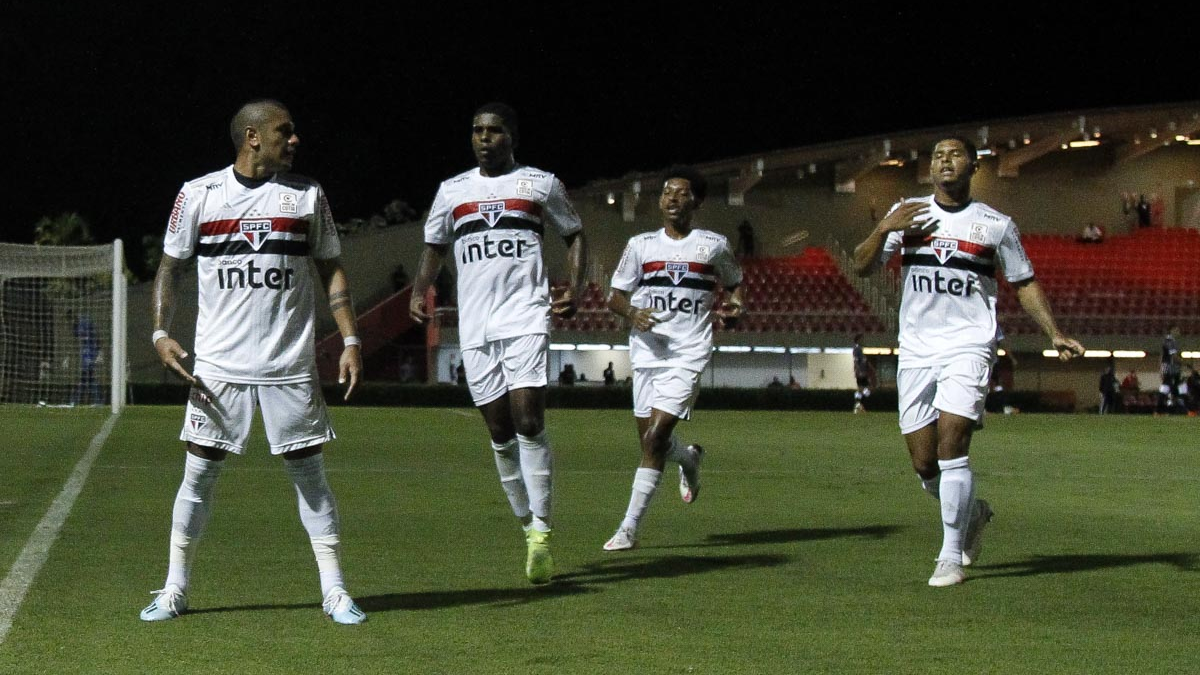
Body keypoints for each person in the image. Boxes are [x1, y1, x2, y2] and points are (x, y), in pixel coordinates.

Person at [141, 99, 366, 624]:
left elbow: (331, 268)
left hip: (290, 364)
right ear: (252, 137)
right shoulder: (198, 194)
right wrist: (159, 333)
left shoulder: (308, 195)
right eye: (285, 131)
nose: (295, 140)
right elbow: (169, 269)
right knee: (198, 476)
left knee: (310, 477)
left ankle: (334, 591)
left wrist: (351, 338)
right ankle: (175, 589)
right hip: (218, 366)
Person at [852, 136, 1084, 587]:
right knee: (924, 464)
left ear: (974, 166)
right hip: (917, 348)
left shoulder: (995, 225)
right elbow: (863, 266)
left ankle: (950, 555)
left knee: (952, 443)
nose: (944, 160)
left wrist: (1054, 332)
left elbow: (1024, 282)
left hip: (969, 345)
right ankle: (973, 511)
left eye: (954, 154)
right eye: (936, 155)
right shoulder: (908, 214)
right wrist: (883, 229)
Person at [409, 102, 586, 585]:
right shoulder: (452, 191)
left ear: (512, 137)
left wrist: (576, 286)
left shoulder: (540, 183)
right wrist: (420, 288)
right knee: (500, 432)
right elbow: (433, 246)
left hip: (527, 315)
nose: (484, 138)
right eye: (477, 131)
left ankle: (544, 532)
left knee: (529, 421)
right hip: (476, 325)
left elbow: (574, 234)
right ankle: (528, 525)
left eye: (494, 130)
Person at [601, 165, 745, 551]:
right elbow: (614, 297)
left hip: (688, 353)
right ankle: (690, 458)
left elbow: (734, 287)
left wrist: (736, 306)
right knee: (652, 444)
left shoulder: (713, 244)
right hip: (647, 353)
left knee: (656, 436)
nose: (673, 199)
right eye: (667, 192)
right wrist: (632, 313)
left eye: (682, 193)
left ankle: (628, 528)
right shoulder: (640, 246)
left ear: (696, 201)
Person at [68, 309, 103, 405]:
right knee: (87, 378)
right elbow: (77, 337)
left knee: (87, 376)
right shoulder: (75, 327)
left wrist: (99, 352)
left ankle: (75, 400)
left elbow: (96, 336)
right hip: (85, 352)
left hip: (91, 351)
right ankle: (96, 401)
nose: (71, 321)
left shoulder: (85, 322)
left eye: (71, 318)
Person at [1159, 325, 1182, 414]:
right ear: (1172, 330)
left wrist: (1160, 368)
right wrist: (1183, 363)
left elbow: (1162, 356)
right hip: (1170, 368)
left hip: (1169, 368)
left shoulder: (1169, 341)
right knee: (1168, 386)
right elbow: (1174, 356)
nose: (1178, 331)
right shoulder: (1170, 341)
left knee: (1173, 387)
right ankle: (1161, 408)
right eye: (1177, 329)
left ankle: (1174, 409)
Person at [851, 333, 873, 413]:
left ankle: (859, 405)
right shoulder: (857, 349)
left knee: (864, 389)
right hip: (861, 373)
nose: (863, 340)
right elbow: (856, 361)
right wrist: (858, 371)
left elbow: (864, 361)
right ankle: (858, 405)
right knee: (862, 389)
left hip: (863, 372)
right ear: (858, 340)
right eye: (862, 339)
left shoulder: (860, 349)